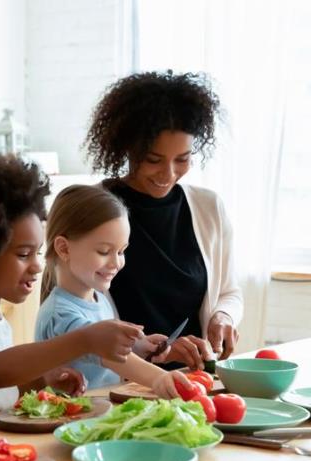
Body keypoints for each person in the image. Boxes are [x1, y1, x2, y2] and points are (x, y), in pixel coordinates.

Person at [0, 150, 145, 421]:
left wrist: (43, 381)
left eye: (37, 253)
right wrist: (86, 339)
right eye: (23, 255)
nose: (37, 266)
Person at [84, 70, 243, 370]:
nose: (168, 173)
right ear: (127, 148)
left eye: (182, 159)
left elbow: (229, 292)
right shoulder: (91, 208)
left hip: (195, 378)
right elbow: (70, 318)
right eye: (154, 160)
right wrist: (154, 352)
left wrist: (224, 316)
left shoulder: (209, 208)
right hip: (121, 383)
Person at [35, 184, 191, 396]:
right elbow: (105, 353)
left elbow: (99, 356)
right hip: (71, 422)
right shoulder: (60, 313)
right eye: (104, 251)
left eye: (121, 251)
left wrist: (137, 347)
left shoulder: (99, 299)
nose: (116, 262)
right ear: (63, 248)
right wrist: (158, 377)